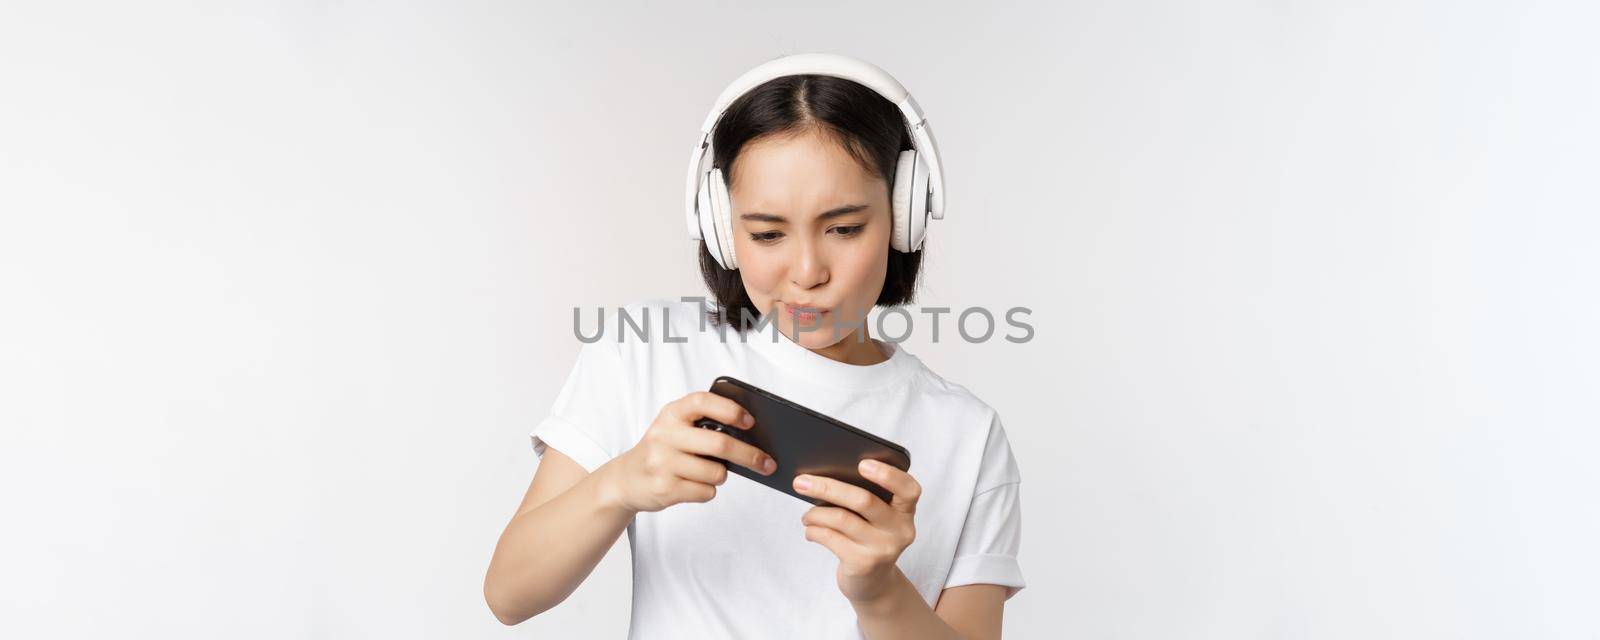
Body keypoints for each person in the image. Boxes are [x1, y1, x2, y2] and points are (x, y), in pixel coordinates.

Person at [485, 54, 1024, 639]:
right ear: (722, 229)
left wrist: (879, 591)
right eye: (767, 234)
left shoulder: (967, 434)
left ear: (903, 218)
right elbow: (510, 595)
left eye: (844, 229)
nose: (808, 271)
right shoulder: (643, 352)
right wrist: (620, 483)